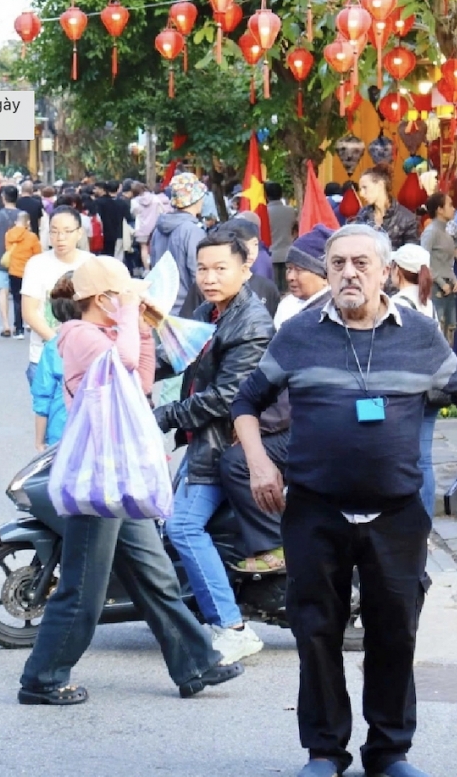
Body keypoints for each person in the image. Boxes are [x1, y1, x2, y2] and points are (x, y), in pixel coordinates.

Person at [231, 223, 457, 777]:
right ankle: (325, 751)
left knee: (395, 631)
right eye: (337, 264)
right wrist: (260, 462)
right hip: (314, 510)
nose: (348, 273)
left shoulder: (420, 335)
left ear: (385, 272)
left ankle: (389, 752)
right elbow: (247, 400)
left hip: (397, 512)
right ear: (325, 271)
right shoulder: (300, 334)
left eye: (360, 263)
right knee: (316, 630)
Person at [18, 255, 243, 705]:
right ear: (102, 299)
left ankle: (195, 663)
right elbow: (116, 362)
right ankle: (42, 678)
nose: (132, 299)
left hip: (123, 474)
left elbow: (139, 381)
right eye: (123, 294)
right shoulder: (78, 335)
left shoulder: (109, 330)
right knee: (83, 586)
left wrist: (140, 327)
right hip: (97, 476)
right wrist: (127, 323)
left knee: (156, 575)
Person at [156, 231, 276, 664]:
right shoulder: (210, 312)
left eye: (220, 268)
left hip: (225, 443)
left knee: (183, 527)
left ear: (245, 270)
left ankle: (232, 626)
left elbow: (228, 397)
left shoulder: (252, 324)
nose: (209, 277)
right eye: (202, 269)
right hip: (202, 440)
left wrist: (166, 416)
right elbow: (174, 355)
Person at [390, 244, 439, 519]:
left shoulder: (398, 304)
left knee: (409, 460)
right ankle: (426, 521)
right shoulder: (425, 302)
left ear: (397, 270)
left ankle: (416, 523)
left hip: (408, 393)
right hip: (430, 389)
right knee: (425, 459)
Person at [21, 207, 92, 386]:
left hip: (84, 359)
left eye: (67, 232)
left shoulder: (91, 263)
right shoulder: (37, 264)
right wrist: (58, 342)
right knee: (47, 413)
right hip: (44, 358)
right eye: (54, 231)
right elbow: (29, 312)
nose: (60, 238)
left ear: (79, 233)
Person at [182, 219, 280, 317]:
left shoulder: (267, 288)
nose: (250, 251)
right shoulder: (204, 286)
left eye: (255, 244)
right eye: (203, 269)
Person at [30, 272, 78, 451]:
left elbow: (43, 397)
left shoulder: (53, 347)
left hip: (61, 433)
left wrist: (39, 442)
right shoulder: (107, 341)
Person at [151, 173, 208, 314]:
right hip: (186, 310)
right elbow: (199, 274)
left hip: (160, 305)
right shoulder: (192, 231)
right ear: (196, 198)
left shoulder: (158, 230)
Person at [274, 226, 333, 326]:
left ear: (325, 277)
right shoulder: (287, 305)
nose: (290, 277)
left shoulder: (334, 313)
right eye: (289, 268)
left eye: (299, 270)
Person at [420, 191, 457, 340]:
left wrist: (455, 280)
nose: (454, 208)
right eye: (450, 205)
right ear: (440, 209)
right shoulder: (430, 232)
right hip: (436, 288)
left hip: (449, 288)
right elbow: (424, 260)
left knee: (450, 329)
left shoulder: (447, 234)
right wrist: (441, 282)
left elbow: (447, 263)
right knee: (437, 330)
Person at [0, 185, 24, 337]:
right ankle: (20, 323)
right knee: (19, 293)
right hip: (20, 259)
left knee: (2, 291)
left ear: (3, 197)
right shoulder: (23, 216)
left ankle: (6, 325)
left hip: (1, 259)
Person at [355, 167, 418, 250]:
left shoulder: (407, 218)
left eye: (365, 188)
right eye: (360, 189)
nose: (361, 194)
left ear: (380, 185)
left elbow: (412, 254)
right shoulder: (363, 214)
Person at [4, 211, 43, 340]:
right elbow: (38, 255)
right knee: (31, 299)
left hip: (14, 271)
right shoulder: (32, 237)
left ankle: (18, 328)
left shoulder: (9, 235)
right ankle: (30, 322)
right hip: (29, 271)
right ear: (28, 222)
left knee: (17, 300)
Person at [266, 182, 298, 292]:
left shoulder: (264, 213)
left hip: (270, 254)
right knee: (288, 290)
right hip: (287, 253)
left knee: (274, 290)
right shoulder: (290, 211)